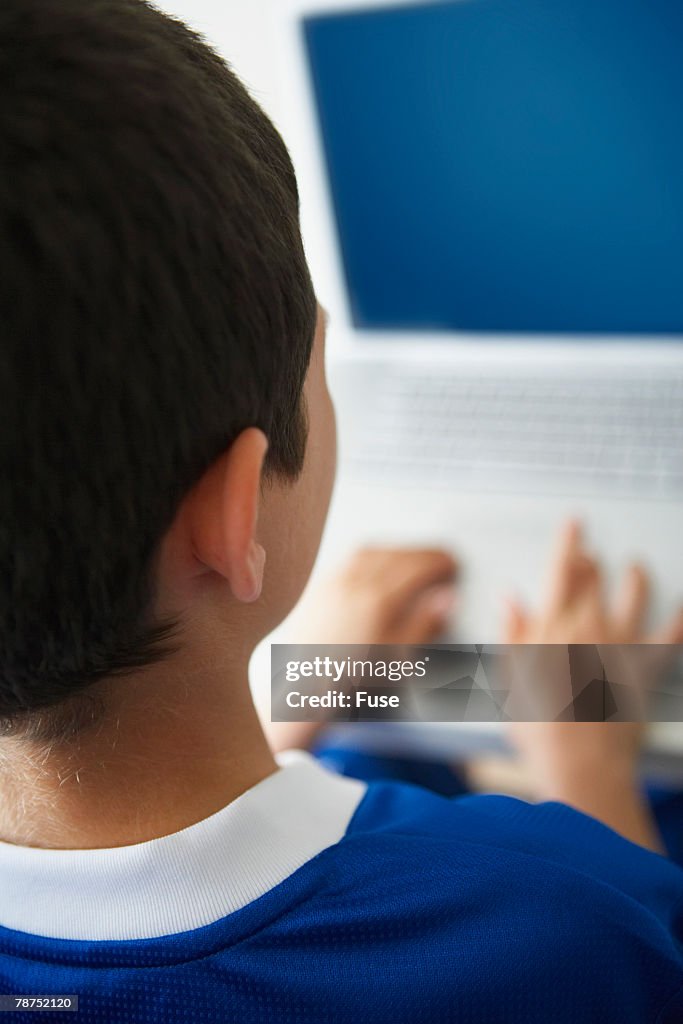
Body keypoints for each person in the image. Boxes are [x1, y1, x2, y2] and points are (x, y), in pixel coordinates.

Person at [0, 1, 682, 1021]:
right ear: (233, 518)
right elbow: (631, 952)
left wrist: (287, 709)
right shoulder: (558, 908)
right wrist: (584, 767)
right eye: (318, 374)